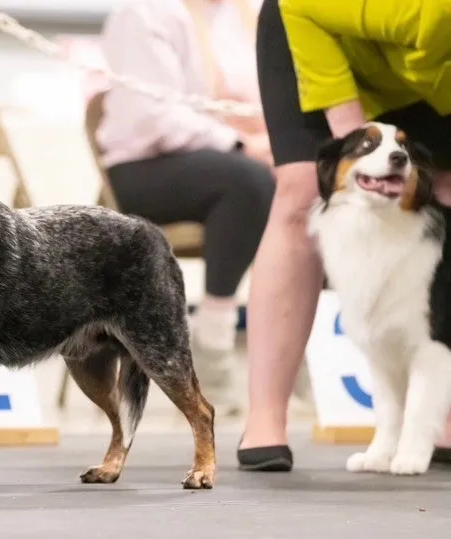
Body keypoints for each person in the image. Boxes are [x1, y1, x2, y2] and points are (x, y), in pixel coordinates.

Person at [240, 0, 451, 471]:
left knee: (446, 189)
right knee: (300, 191)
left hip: (436, 75)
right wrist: (359, 153)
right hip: (319, 27)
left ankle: (438, 407)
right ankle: (266, 416)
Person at [97, 0, 275, 415]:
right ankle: (213, 341)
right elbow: (152, 119)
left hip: (229, 157)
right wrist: (243, 145)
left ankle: (298, 347)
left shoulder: (242, 14)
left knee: (303, 179)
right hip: (144, 164)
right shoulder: (143, 14)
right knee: (247, 182)